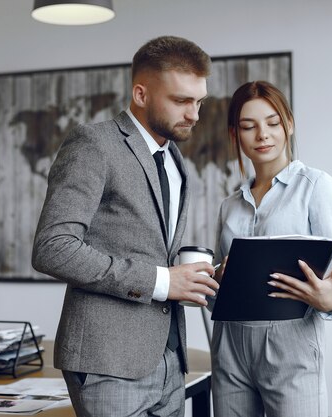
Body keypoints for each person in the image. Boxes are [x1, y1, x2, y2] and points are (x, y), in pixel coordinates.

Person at [32, 35, 219, 417]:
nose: (194, 114)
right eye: (182, 101)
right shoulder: (93, 144)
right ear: (141, 93)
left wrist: (196, 276)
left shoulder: (174, 158)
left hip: (169, 358)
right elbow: (53, 247)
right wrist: (163, 282)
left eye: (199, 102)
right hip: (107, 361)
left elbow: (148, 246)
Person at [209, 81, 332, 417]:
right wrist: (215, 278)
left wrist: (331, 300)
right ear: (235, 135)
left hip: (292, 344)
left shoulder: (316, 188)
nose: (262, 135)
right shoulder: (229, 206)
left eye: (273, 123)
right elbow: (214, 293)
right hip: (230, 345)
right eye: (249, 127)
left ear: (289, 125)